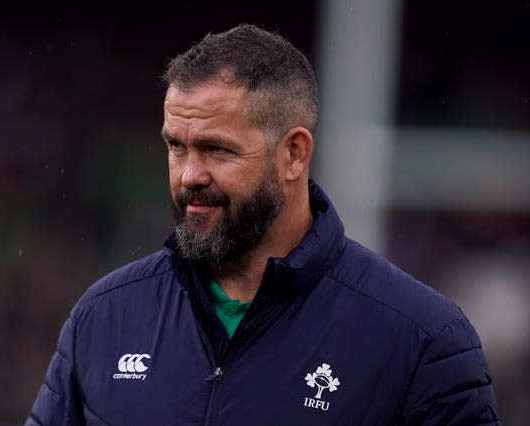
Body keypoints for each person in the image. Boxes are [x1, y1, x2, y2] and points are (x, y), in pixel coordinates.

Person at [26, 24, 500, 425]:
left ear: (294, 153)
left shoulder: (420, 338)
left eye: (217, 149)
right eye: (176, 146)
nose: (190, 175)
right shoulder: (106, 316)